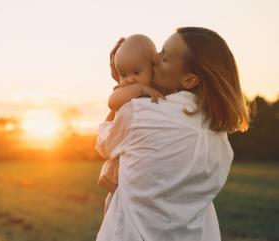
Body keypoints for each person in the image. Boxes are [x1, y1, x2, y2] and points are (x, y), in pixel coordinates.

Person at [95, 27, 250, 241]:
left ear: (189, 79)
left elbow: (104, 141)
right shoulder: (221, 142)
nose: (154, 58)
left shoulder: (141, 113)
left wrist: (122, 90)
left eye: (164, 57)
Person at [100, 34, 166, 217]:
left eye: (136, 73)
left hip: (146, 169)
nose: (129, 80)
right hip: (123, 166)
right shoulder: (127, 92)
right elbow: (113, 102)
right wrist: (140, 89)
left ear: (153, 67)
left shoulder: (163, 91)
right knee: (113, 205)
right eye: (123, 74)